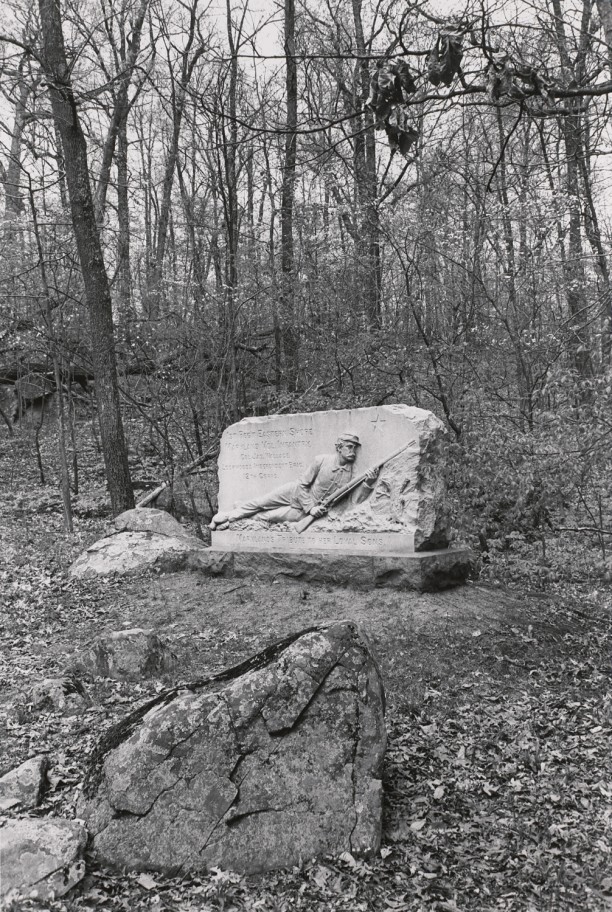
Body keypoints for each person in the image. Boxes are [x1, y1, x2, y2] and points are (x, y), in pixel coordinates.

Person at [210, 433, 379, 530]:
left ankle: (230, 523)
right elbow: (301, 484)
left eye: (355, 448)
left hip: (305, 513)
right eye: (349, 447)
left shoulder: (353, 473)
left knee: (268, 516)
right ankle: (227, 515)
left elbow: (354, 502)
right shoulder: (321, 460)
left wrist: (368, 484)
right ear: (339, 447)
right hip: (295, 493)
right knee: (260, 502)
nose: (353, 451)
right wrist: (311, 507)